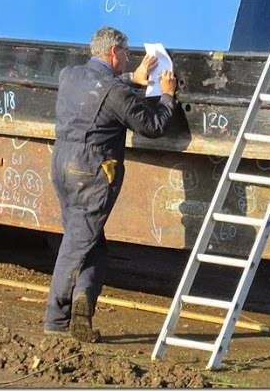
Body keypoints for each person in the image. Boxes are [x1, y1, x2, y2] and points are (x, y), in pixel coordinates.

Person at [43, 26, 178, 341]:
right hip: (91, 173)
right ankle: (56, 321)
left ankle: (83, 299)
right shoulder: (117, 93)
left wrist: (131, 78)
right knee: (76, 245)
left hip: (63, 165)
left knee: (91, 242)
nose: (129, 58)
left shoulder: (69, 75)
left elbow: (98, 87)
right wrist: (167, 95)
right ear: (114, 51)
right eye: (127, 53)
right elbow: (153, 126)